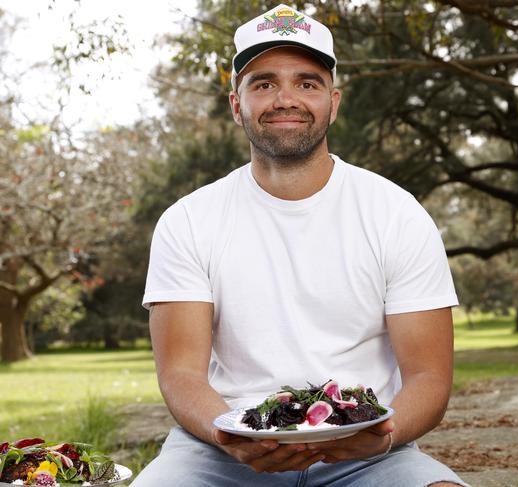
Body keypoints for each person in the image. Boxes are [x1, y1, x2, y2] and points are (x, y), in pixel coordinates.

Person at [132, 4, 469, 486]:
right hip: (219, 451)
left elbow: (429, 378)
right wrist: (230, 434)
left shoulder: (397, 214)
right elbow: (182, 374)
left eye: (306, 83)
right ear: (236, 104)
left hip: (367, 452)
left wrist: (384, 434)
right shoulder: (187, 221)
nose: (284, 98)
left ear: (333, 102)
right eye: (264, 83)